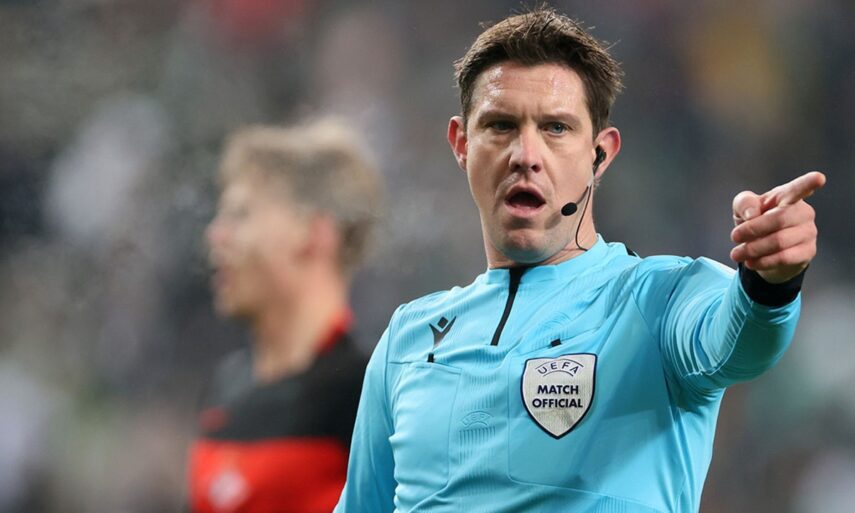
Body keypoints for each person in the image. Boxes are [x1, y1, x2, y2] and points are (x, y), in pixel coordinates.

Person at [334, 7, 824, 513]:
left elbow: (740, 343)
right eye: (501, 125)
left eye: (555, 128)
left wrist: (770, 280)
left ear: (600, 154)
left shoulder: (660, 300)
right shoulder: (407, 339)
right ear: (462, 144)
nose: (525, 155)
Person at [188, 119, 383, 513]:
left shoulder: (368, 392)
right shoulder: (227, 386)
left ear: (315, 233)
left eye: (240, 214)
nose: (216, 235)